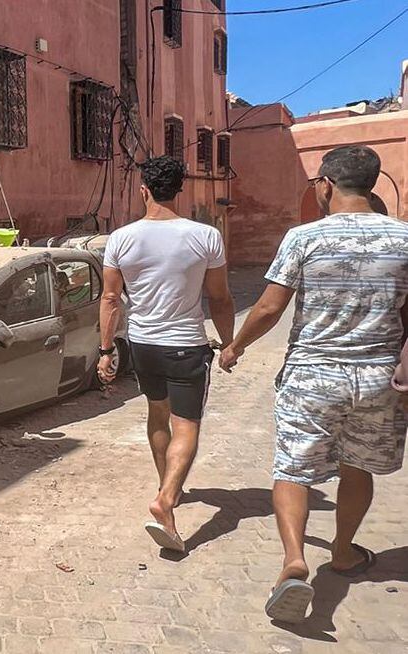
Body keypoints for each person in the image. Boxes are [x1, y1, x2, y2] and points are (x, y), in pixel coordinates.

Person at [220, 145, 408, 624]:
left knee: (294, 469)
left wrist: (235, 346)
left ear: (324, 184)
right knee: (357, 466)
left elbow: (268, 307)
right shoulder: (403, 238)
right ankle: (343, 552)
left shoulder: (304, 238)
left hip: (313, 376)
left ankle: (294, 562)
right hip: (378, 376)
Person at [98, 156, 235, 553]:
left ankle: (166, 485)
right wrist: (228, 343)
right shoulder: (206, 236)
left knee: (157, 414)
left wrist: (106, 350)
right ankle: (166, 499)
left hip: (143, 345)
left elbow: (110, 298)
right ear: (181, 190)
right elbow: (221, 298)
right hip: (186, 345)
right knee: (187, 426)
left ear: (144, 191)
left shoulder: (121, 239)